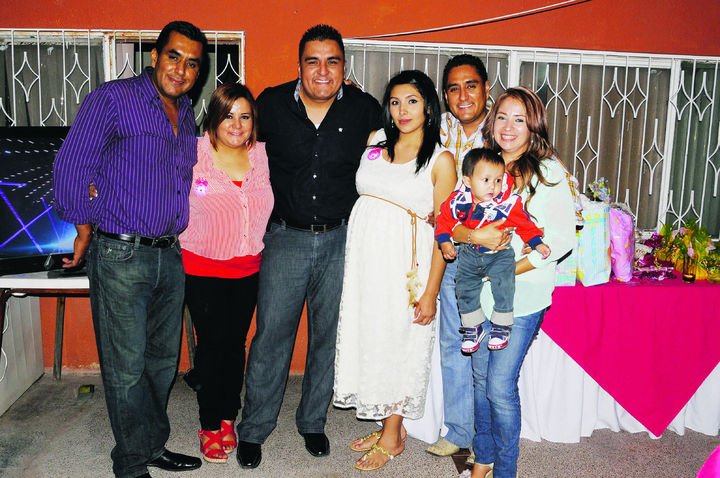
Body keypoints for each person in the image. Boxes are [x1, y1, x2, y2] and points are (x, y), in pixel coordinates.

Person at [53, 21, 207, 478]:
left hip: (169, 254)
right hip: (120, 254)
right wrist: (83, 228)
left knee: (161, 364)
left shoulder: (187, 113)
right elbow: (70, 167)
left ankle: (151, 445)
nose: (181, 70)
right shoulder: (113, 99)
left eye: (192, 63)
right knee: (125, 368)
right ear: (155, 56)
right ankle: (131, 463)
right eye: (174, 56)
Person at [235, 24, 382, 469]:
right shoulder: (270, 105)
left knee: (329, 337)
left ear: (344, 66)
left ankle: (313, 422)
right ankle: (254, 428)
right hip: (284, 238)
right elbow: (237, 150)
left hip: (341, 239)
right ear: (299, 66)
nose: (322, 71)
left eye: (332, 61)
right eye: (313, 61)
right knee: (271, 337)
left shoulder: (365, 109)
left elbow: (391, 162)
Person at [333, 69, 457, 471]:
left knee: (401, 340)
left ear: (429, 108)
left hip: (407, 263)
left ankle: (393, 434)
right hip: (366, 261)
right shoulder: (375, 142)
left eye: (413, 101)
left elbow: (444, 231)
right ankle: (387, 422)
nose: (403, 110)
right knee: (373, 336)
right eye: (395, 102)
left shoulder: (441, 160)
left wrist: (430, 293)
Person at [453, 86, 575, 478]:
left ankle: (506, 470)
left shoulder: (549, 172)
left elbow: (562, 240)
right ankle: (483, 458)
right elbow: (453, 222)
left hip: (523, 297)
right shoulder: (481, 165)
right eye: (502, 117)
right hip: (477, 296)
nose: (508, 127)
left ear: (533, 126)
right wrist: (471, 236)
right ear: (492, 122)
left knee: (499, 387)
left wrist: (506, 269)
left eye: (519, 119)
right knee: (479, 380)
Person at [179, 83, 273, 463]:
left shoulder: (261, 156)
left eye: (245, 116)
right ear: (214, 118)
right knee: (212, 345)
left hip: (248, 268)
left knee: (235, 345)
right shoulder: (193, 152)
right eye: (228, 115)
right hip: (202, 267)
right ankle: (208, 423)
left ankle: (228, 416)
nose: (237, 124)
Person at [427, 54, 509, 460]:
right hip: (449, 252)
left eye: (471, 85)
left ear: (486, 88)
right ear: (445, 95)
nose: (463, 95)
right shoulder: (437, 128)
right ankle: (459, 430)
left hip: (491, 254)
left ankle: (486, 439)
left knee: (489, 351)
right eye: (454, 88)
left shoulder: (503, 131)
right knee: (455, 342)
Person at [436, 148, 551, 353]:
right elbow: (444, 220)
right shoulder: (458, 201)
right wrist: (445, 242)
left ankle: (502, 325)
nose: (493, 186)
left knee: (503, 283)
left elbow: (524, 223)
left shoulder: (506, 204)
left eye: (498, 180)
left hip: (499, 255)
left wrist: (536, 243)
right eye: (486, 180)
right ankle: (473, 327)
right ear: (468, 181)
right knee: (463, 287)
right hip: (469, 254)